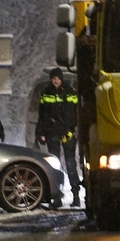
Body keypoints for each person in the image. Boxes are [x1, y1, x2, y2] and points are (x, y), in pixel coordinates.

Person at [35, 68, 81, 206]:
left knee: (70, 163)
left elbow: (75, 113)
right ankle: (56, 198)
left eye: (57, 78)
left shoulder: (70, 92)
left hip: (67, 132)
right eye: (53, 78)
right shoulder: (46, 93)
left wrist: (71, 129)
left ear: (61, 79)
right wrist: (40, 132)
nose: (55, 80)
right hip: (52, 132)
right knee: (54, 165)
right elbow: (42, 115)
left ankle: (76, 195)